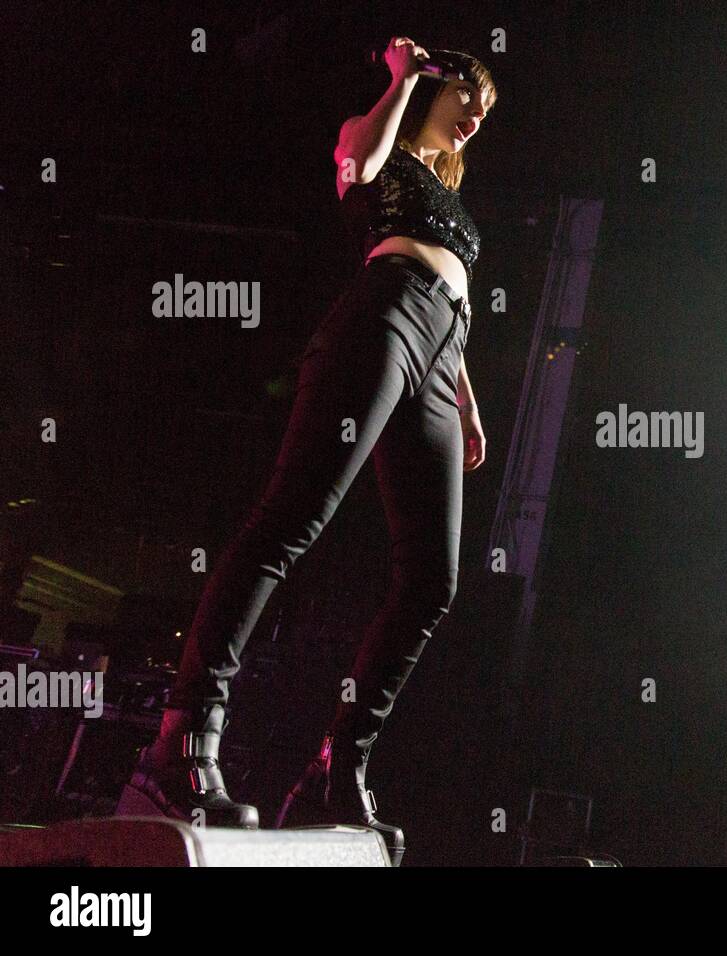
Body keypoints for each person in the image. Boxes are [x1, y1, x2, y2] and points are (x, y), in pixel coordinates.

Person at [116, 36, 497, 866]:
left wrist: (465, 400)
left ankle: (339, 770)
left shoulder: (450, 193)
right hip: (385, 317)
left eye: (486, 112)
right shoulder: (379, 135)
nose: (476, 117)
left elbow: (454, 296)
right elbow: (357, 171)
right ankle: (178, 746)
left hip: (440, 349)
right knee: (292, 519)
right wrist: (401, 78)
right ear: (434, 84)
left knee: (433, 578)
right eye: (469, 96)